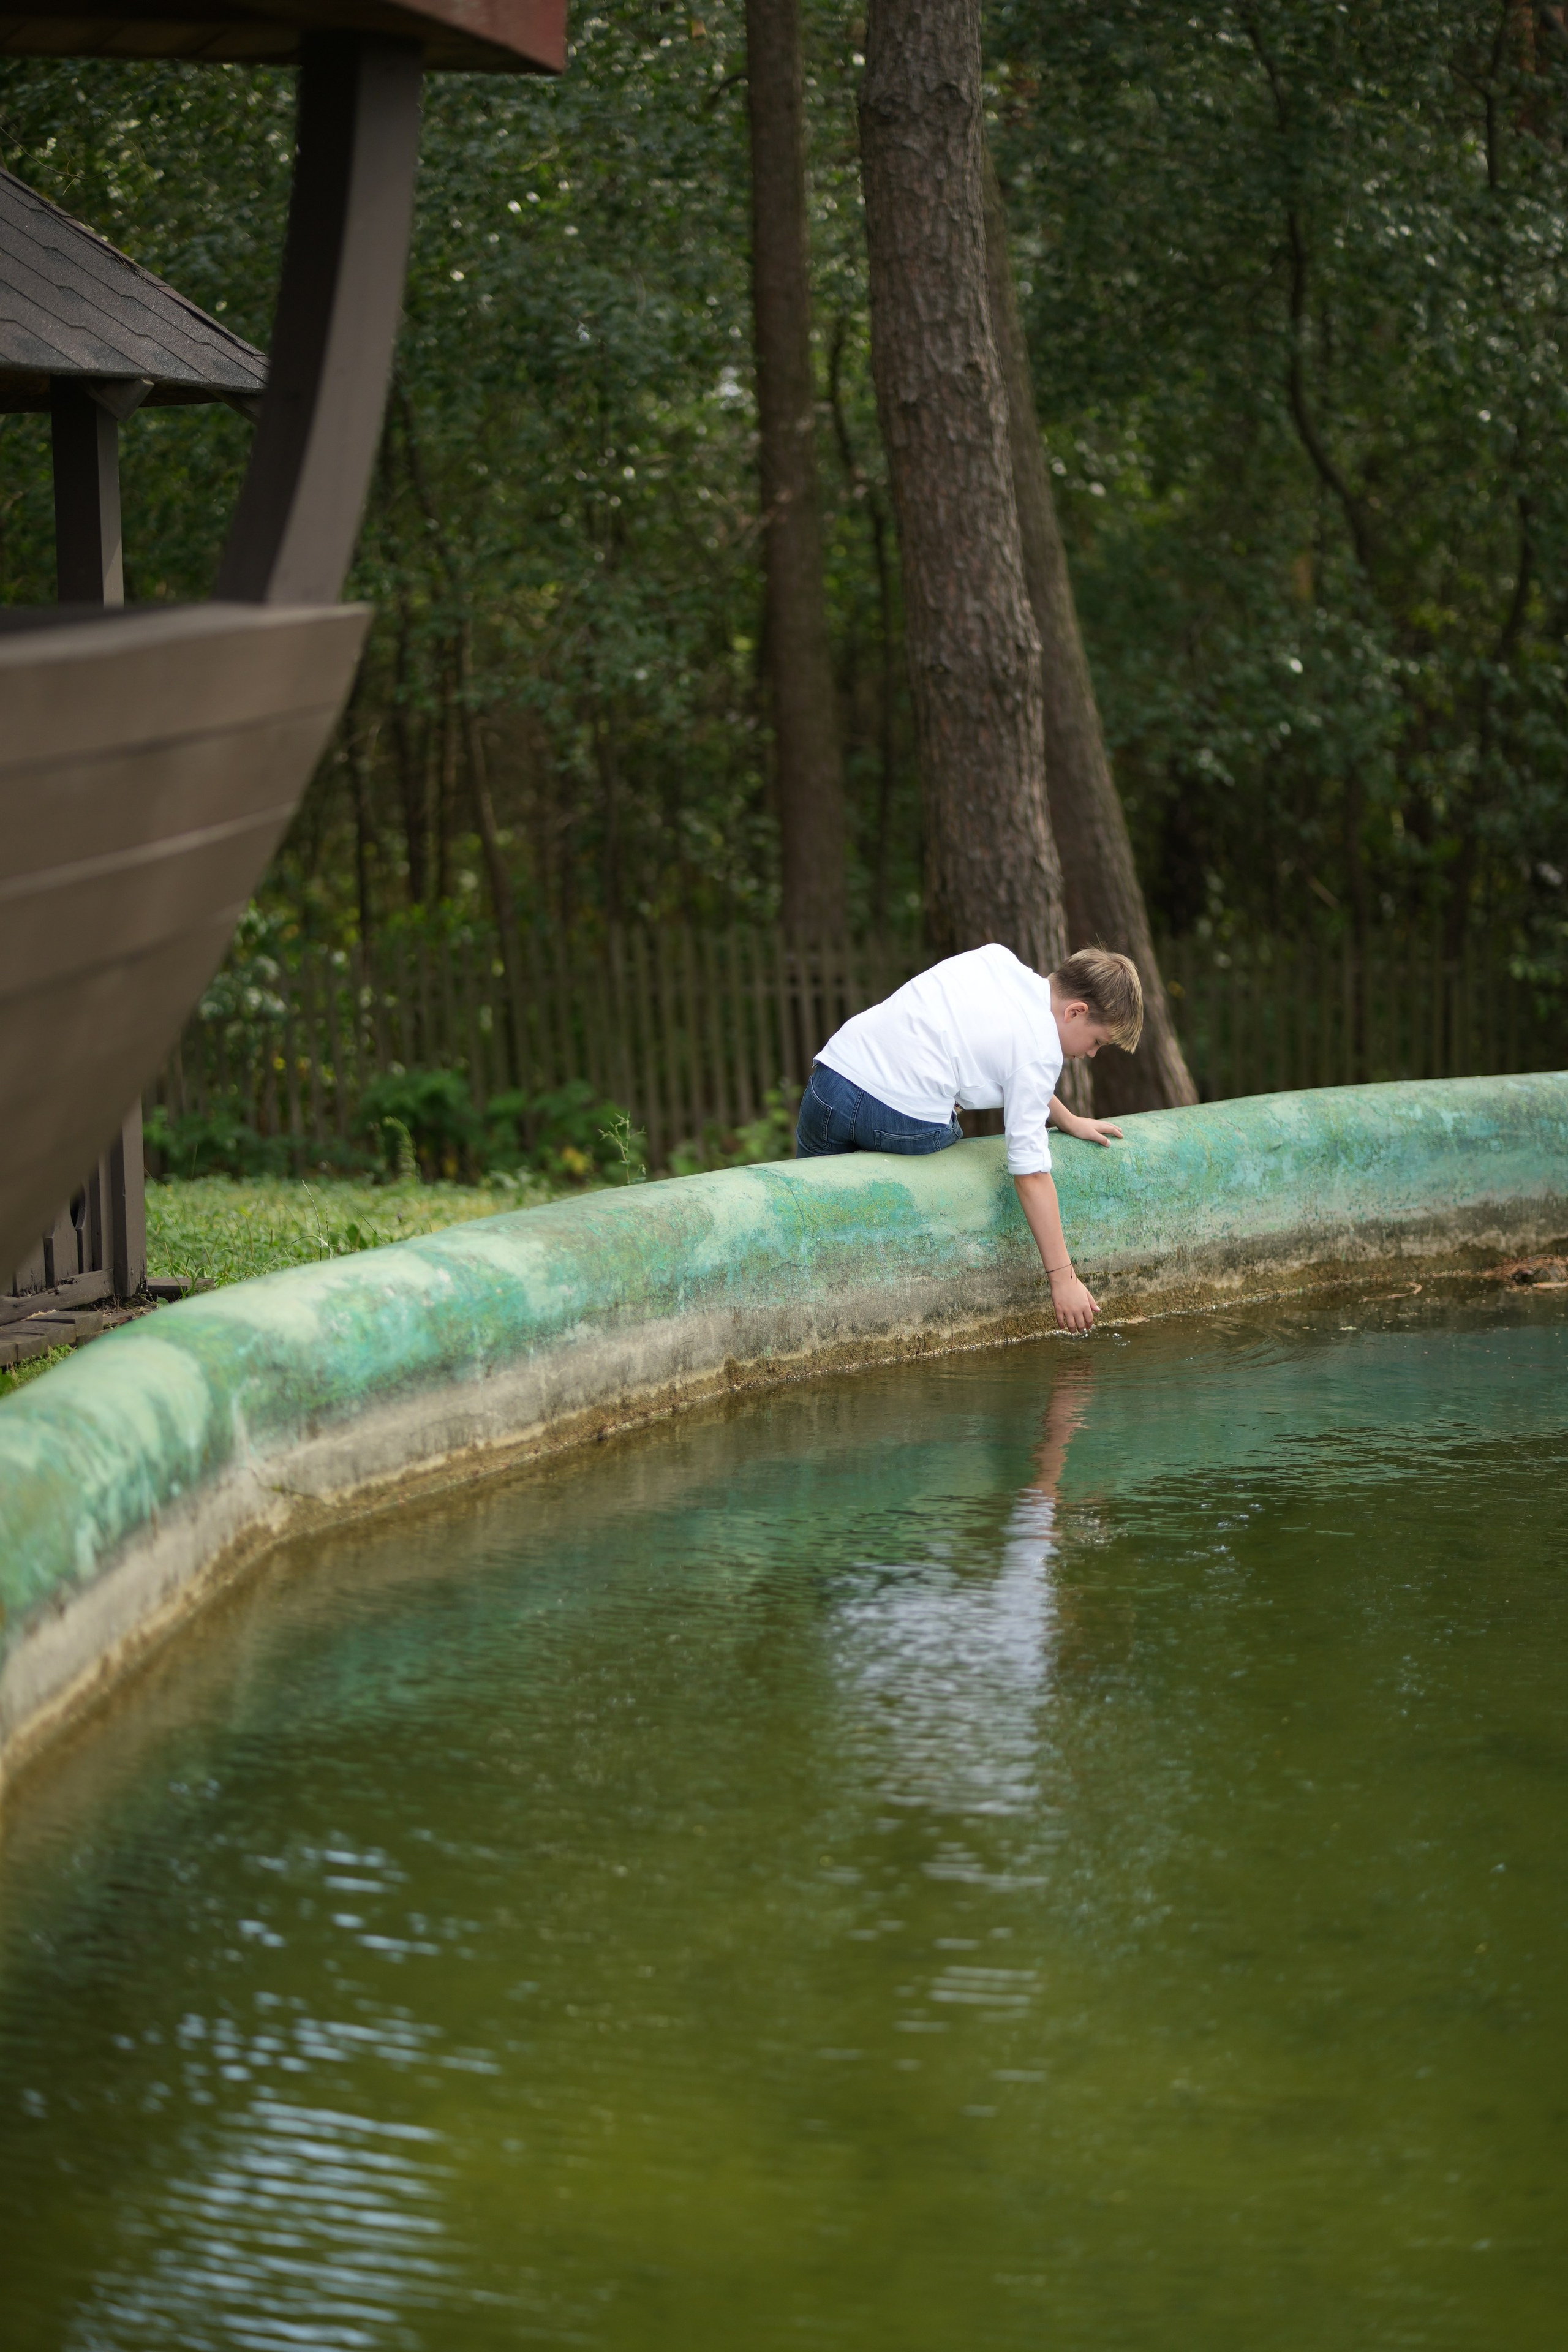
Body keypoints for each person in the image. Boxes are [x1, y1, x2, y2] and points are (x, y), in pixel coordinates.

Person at [794, 944, 1143, 1335]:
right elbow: (1030, 1174)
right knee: (949, 1127)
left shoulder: (998, 960)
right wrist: (1063, 1278)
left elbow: (1014, 1062)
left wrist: (1065, 1118)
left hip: (831, 1078)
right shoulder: (1041, 1054)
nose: (1093, 1054)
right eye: (1097, 1041)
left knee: (809, 1211)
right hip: (894, 1116)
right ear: (1075, 1012)